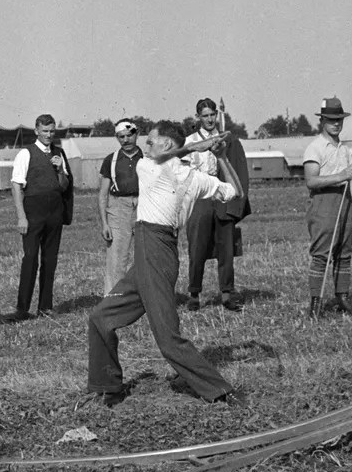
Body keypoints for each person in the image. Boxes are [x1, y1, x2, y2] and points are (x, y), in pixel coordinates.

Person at [87, 120, 245, 406]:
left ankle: (220, 390)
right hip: (150, 252)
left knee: (168, 339)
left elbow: (236, 192)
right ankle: (107, 387)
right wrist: (202, 149)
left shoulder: (174, 172)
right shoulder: (159, 167)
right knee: (100, 318)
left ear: (167, 144)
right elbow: (232, 188)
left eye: (151, 140)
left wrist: (221, 157)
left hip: (156, 252)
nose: (145, 144)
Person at [184, 97, 251, 311]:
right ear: (198, 117)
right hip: (200, 196)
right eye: (205, 116)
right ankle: (194, 294)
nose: (210, 119)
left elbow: (236, 169)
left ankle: (227, 293)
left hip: (221, 194)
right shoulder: (190, 141)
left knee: (226, 247)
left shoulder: (227, 140)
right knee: (197, 247)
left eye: (212, 114)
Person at [302, 97, 352, 317]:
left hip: (346, 202)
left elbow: (351, 180)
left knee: (345, 253)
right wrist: (340, 176)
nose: (336, 123)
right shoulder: (315, 148)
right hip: (324, 203)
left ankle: (342, 298)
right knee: (322, 254)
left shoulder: (345, 149)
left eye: (339, 119)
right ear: (322, 121)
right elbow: (311, 181)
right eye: (331, 119)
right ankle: (316, 303)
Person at [10, 114, 73, 321]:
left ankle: (45, 306)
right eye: (45, 131)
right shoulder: (25, 153)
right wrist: (21, 217)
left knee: (50, 259)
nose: (49, 135)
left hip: (54, 211)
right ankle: (22, 309)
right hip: (33, 211)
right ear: (36, 131)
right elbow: (17, 186)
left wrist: (60, 170)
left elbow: (64, 186)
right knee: (30, 259)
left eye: (52, 131)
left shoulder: (59, 153)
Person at [98, 119, 142, 295]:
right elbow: (103, 194)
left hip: (143, 206)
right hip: (118, 207)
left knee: (145, 255)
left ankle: (143, 297)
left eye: (129, 135)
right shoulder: (111, 160)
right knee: (117, 257)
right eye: (121, 137)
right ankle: (113, 298)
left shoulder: (147, 158)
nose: (126, 140)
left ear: (137, 134)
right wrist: (105, 223)